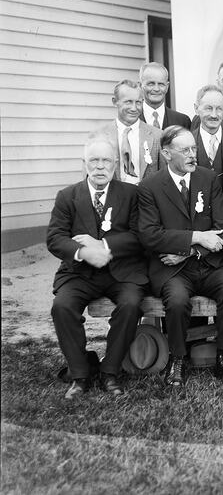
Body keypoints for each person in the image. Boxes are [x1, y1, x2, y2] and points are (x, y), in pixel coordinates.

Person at [138, 126, 223, 387]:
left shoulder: (208, 179)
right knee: (176, 300)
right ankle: (178, 359)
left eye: (194, 148)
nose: (192, 154)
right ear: (165, 153)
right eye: (184, 150)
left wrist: (189, 252)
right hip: (171, 270)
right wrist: (196, 236)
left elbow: (222, 228)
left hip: (207, 263)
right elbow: (151, 235)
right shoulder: (150, 187)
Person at [47, 137, 147, 399]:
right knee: (62, 307)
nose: (100, 166)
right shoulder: (68, 196)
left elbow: (140, 235)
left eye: (105, 160)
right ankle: (80, 375)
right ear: (84, 164)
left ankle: (109, 372)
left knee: (130, 305)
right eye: (94, 160)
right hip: (80, 273)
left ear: (115, 164)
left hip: (122, 272)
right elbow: (55, 238)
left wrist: (103, 246)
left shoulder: (130, 194)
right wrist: (84, 252)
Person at [89, 79, 163, 184]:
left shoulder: (157, 135)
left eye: (138, 102)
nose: (134, 108)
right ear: (115, 102)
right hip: (113, 197)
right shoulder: (98, 136)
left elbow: (164, 177)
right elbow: (90, 177)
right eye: (128, 102)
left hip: (145, 198)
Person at [138, 62, 191, 130]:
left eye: (161, 84)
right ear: (140, 85)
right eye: (151, 84)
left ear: (167, 86)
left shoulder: (182, 121)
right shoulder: (132, 119)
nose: (156, 89)